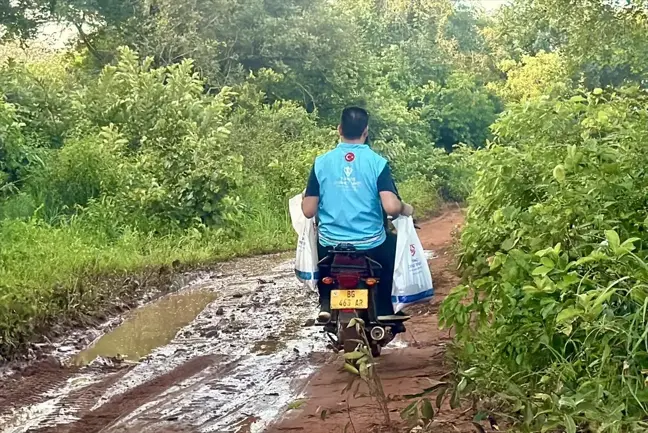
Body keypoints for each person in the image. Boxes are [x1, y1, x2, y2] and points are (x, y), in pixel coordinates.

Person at [301, 106, 414, 323]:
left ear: (339, 129)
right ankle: (383, 308)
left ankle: (326, 302)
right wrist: (405, 208)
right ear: (366, 132)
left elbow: (308, 211)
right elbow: (391, 207)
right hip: (370, 244)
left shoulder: (321, 163)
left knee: (322, 261)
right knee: (392, 249)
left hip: (330, 244)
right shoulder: (377, 163)